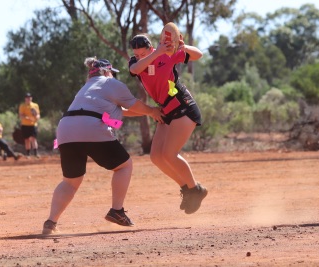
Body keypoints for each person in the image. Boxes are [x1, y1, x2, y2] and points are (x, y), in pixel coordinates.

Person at [42, 57, 163, 234]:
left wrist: (147, 113)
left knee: (70, 182)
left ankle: (50, 223)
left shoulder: (86, 88)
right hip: (91, 127)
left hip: (66, 129)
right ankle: (117, 211)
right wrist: (153, 111)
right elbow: (134, 104)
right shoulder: (110, 83)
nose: (113, 75)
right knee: (124, 166)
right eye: (112, 73)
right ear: (107, 71)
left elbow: (120, 110)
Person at [128, 33, 208, 214]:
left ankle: (196, 189)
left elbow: (198, 55)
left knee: (169, 154)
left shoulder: (167, 54)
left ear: (150, 47)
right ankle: (187, 188)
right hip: (165, 110)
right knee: (156, 157)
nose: (139, 56)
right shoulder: (137, 62)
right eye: (137, 54)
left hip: (183, 107)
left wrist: (183, 47)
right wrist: (153, 55)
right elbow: (135, 69)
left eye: (143, 53)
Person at [19, 92, 40, 158]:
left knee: (33, 139)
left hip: (33, 125)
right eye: (27, 97)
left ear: (31, 98)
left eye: (29, 97)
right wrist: (27, 118)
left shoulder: (35, 105)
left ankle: (36, 153)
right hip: (25, 125)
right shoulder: (22, 106)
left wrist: (37, 117)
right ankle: (28, 154)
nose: (28, 99)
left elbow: (38, 114)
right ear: (25, 99)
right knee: (27, 139)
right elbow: (21, 115)